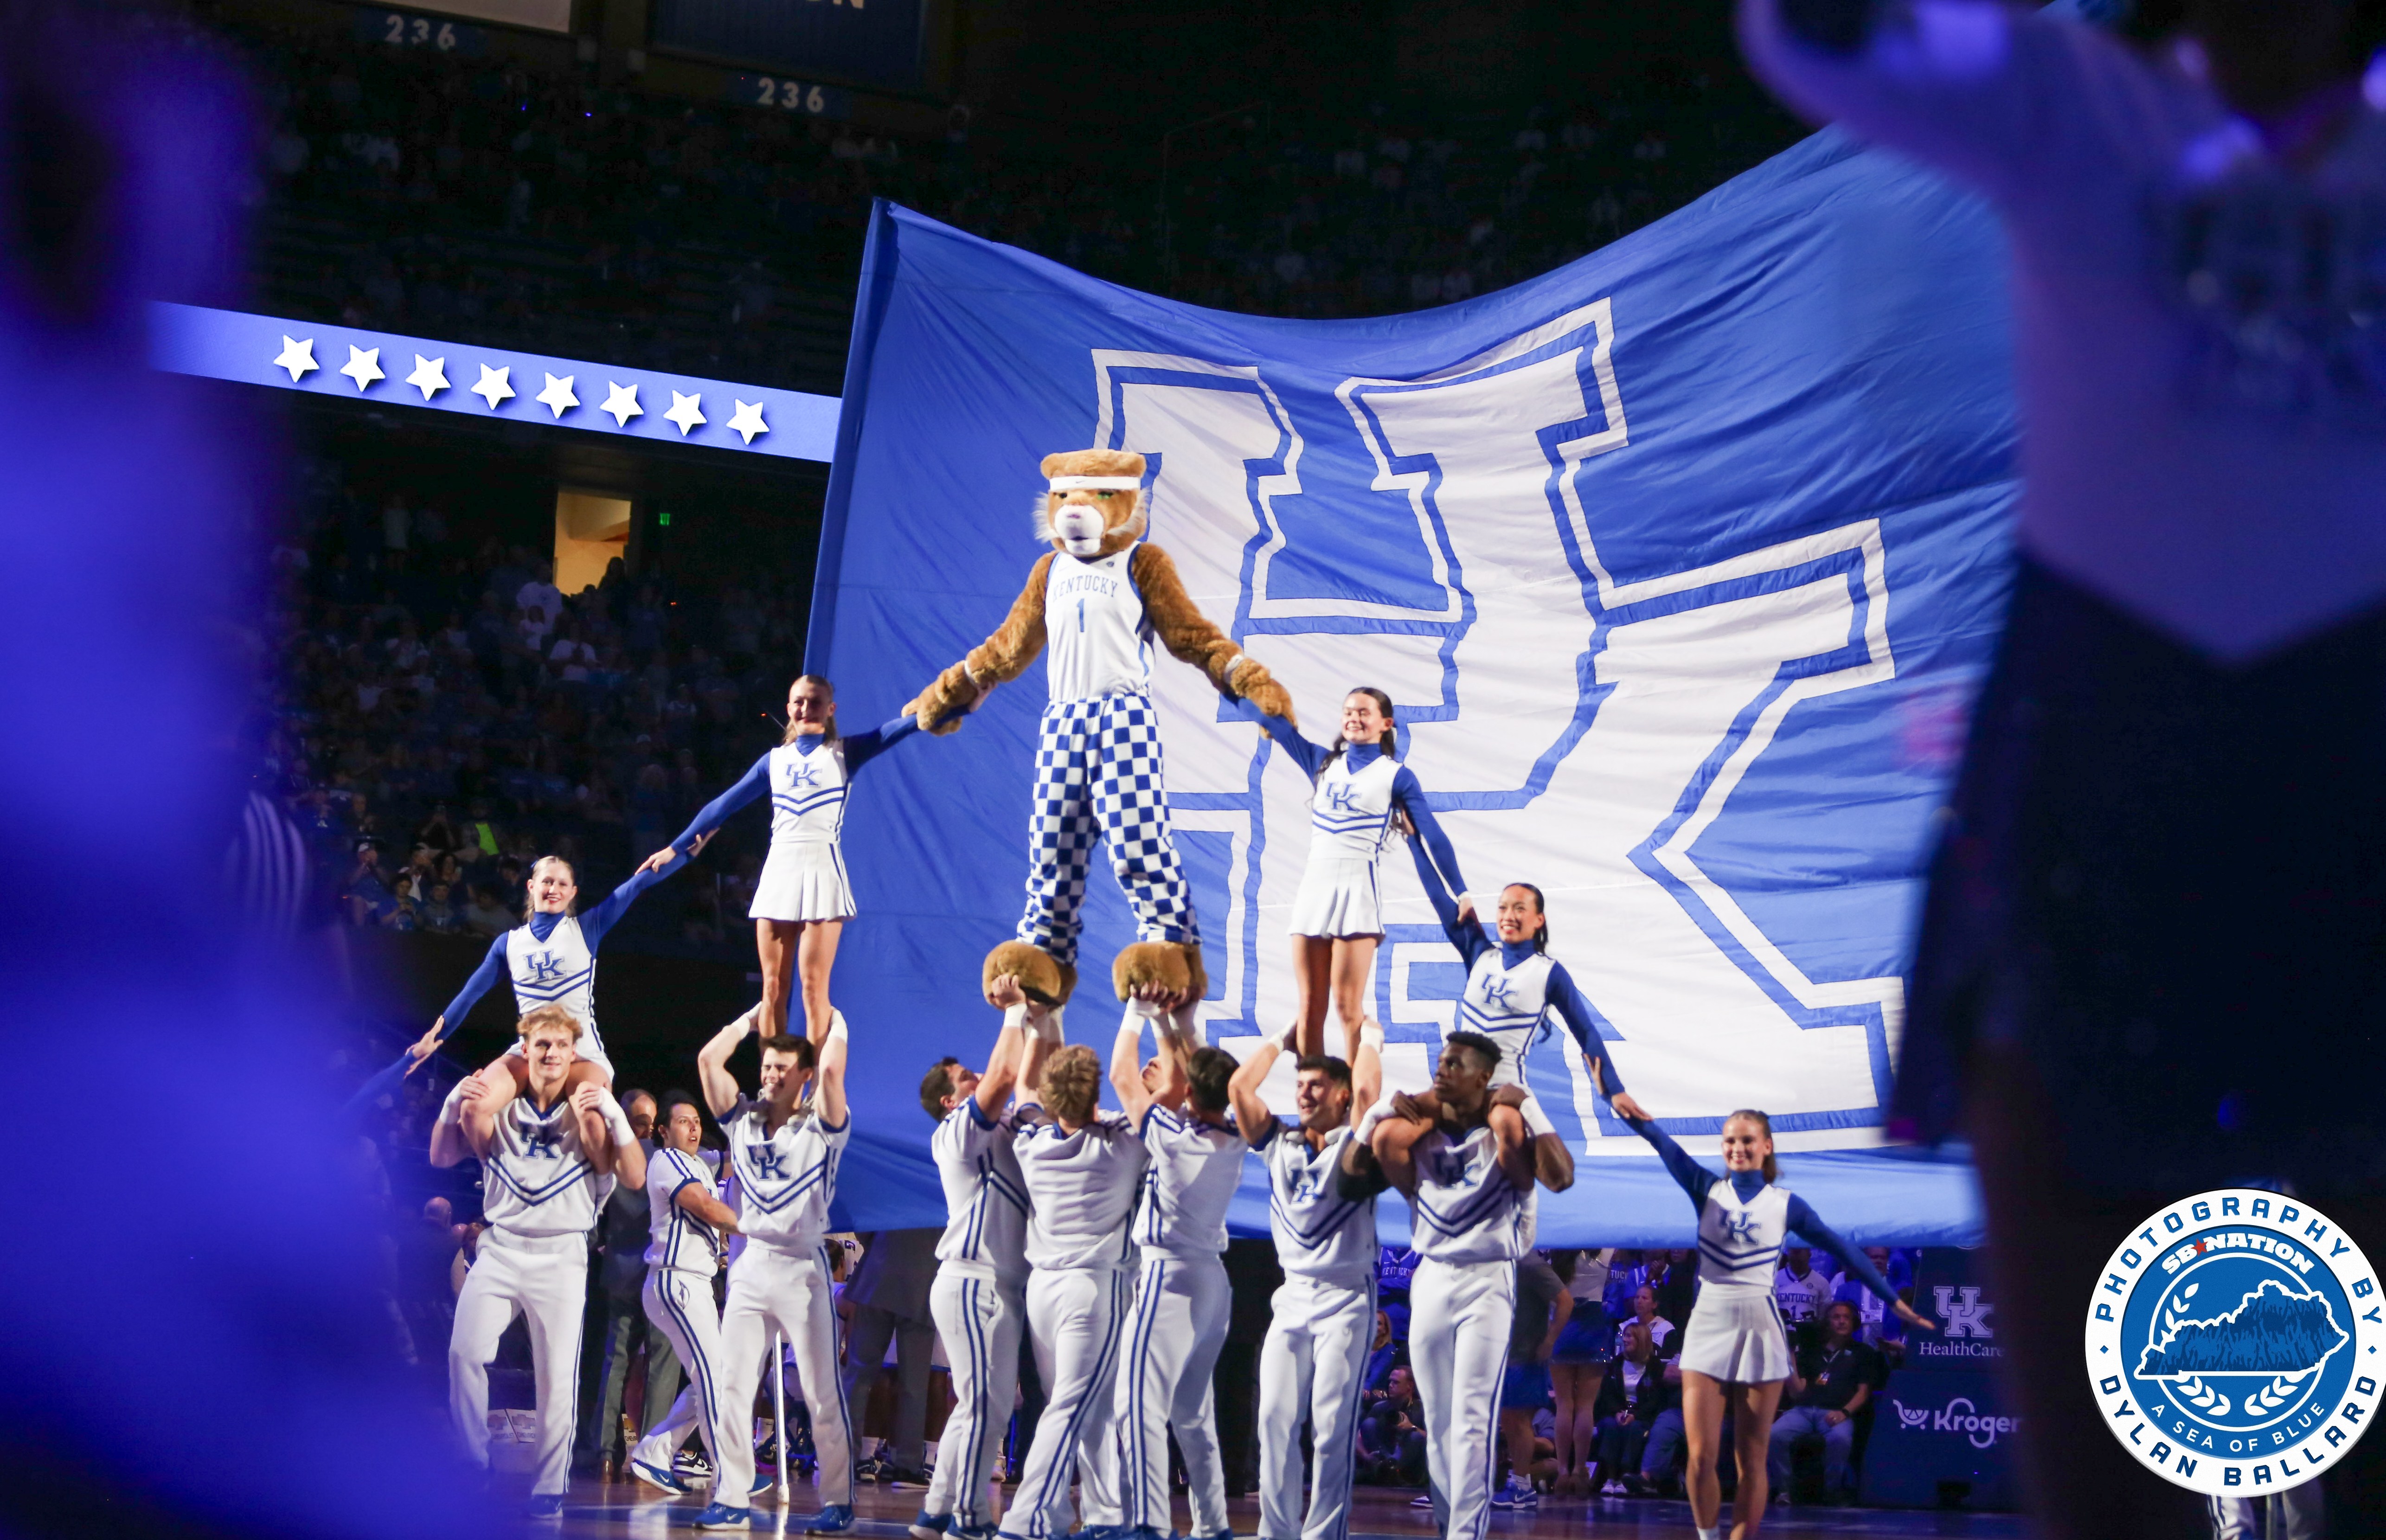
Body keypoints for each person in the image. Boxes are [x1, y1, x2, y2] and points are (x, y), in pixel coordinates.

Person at [1739, 3, 2386, 1535]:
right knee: (2100, 1478)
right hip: (2105, 758)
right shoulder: (2073, 102)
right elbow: (1818, 28)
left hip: (2351, 776)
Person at [1340, 1032, 1622, 1540]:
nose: (1440, 1067)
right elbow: (1351, 1177)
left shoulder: (1504, 1123)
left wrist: (1527, 1109)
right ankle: (1452, 1524)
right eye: (1440, 1060)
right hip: (1432, 1272)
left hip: (1488, 1277)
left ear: (1482, 1076)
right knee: (1438, 1417)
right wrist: (1385, 1111)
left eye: (1454, 1063)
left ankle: (1465, 1535)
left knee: (1473, 1413)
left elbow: (1559, 1176)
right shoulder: (1417, 1127)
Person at [1622, 1106, 1931, 1540]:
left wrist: (1891, 1298)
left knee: (1752, 1457)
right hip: (1709, 1322)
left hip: (1759, 1327)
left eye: (1748, 1140)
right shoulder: (1705, 1188)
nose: (1738, 1148)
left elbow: (1844, 1249)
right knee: (1700, 1457)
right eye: (1730, 1140)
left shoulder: (1786, 1204)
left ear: (1766, 1146)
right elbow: (1658, 1140)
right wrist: (1615, 1091)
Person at [642, 675, 934, 1044]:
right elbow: (723, 806)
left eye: (815, 702)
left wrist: (960, 693)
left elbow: (900, 728)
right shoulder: (773, 762)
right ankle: (773, 1088)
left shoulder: (845, 752)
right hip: (780, 872)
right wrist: (675, 848)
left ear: (830, 710)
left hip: (822, 871)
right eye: (798, 701)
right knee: (772, 988)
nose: (805, 709)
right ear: (788, 708)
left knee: (813, 989)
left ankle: (811, 1093)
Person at [437, 1004, 646, 1520]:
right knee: (465, 1351)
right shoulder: (497, 1109)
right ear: (524, 1051)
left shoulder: (589, 1114)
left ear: (573, 1054)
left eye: (559, 1045)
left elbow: (636, 1177)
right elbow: (440, 1156)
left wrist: (617, 1115)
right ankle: (470, 1463)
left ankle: (549, 1484)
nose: (550, 1053)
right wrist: (450, 1106)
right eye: (541, 1044)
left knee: (557, 1375)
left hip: (562, 1253)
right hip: (501, 1247)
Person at [1230, 688, 1470, 1059]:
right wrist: (1222, 679)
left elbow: (1432, 834)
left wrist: (1462, 891)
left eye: (1363, 712)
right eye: (1347, 712)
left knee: (1347, 1009)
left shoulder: (1397, 776)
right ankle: (1316, 1106)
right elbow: (1272, 724)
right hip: (1315, 890)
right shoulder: (1322, 762)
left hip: (1358, 891)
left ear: (1385, 724)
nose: (1353, 718)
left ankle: (1360, 1108)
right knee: (1310, 1008)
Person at [1407, 839, 1649, 1189]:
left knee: (1534, 1154)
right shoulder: (1478, 951)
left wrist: (1614, 1090)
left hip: (1505, 1088)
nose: (1509, 916)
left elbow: (1587, 1032)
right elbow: (1437, 895)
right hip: (1458, 1087)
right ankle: (1423, 1209)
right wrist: (1414, 841)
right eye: (1503, 908)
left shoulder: (1549, 973)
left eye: (1520, 909)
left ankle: (1520, 1208)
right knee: (1391, 1134)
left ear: (1539, 920)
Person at [694, 1007, 855, 1532]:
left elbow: (832, 1071)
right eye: (766, 1066)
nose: (770, 1074)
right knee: (732, 1384)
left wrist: (832, 1018)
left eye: (783, 1067)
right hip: (749, 1262)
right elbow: (707, 1059)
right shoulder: (740, 1120)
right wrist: (748, 1020)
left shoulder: (824, 1125)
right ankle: (732, 1495)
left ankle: (837, 1500)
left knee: (820, 1389)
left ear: (803, 1074)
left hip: (803, 1266)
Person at [1227, 1020, 1385, 1540]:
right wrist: (1280, 1038)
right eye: (1299, 1084)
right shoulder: (1279, 1143)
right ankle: (1276, 1531)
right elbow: (1238, 1088)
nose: (1304, 1091)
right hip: (1291, 1296)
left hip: (1345, 1298)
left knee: (1331, 1424)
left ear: (1341, 1097)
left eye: (1316, 1085)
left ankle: (1323, 1534)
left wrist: (1369, 1040)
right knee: (1272, 1417)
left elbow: (1368, 1091)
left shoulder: (1355, 1146)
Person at [914, 975, 1054, 1540]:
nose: (975, 1076)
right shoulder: (954, 1132)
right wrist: (1013, 1010)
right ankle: (969, 1519)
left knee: (982, 1406)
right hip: (972, 1280)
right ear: (949, 1100)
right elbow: (1001, 1075)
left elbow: (1026, 1077)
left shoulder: (1004, 1128)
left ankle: (935, 1511)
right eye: (962, 1078)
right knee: (986, 1407)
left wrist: (1042, 1015)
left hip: (998, 1283)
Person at [995, 1039, 1149, 1540]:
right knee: (1071, 1405)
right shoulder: (1122, 1143)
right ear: (1093, 1094)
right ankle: (1026, 1519)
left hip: (1042, 1290)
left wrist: (1043, 1012)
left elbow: (1024, 1092)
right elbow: (1152, 1105)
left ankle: (1103, 1516)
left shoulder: (1030, 1142)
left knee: (1088, 1404)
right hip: (1092, 1289)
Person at [401, 849, 704, 1099]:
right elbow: (470, 995)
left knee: (594, 1118)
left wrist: (685, 851)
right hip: (528, 1052)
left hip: (583, 1052)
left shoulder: (587, 928)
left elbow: (639, 883)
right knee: (473, 1105)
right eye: (547, 882)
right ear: (532, 887)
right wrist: (433, 1041)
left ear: (573, 893)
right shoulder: (507, 944)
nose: (553, 890)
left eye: (562, 884)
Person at [1107, 990, 1244, 1540]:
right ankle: (1212, 1524)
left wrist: (1138, 1010)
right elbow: (1200, 1076)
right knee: (1191, 1410)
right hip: (1212, 1280)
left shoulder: (1169, 1135)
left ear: (1187, 1089)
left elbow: (1121, 1077)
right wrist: (1175, 1021)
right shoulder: (1235, 1136)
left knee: (1135, 1402)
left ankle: (1145, 1522)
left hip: (1168, 1276)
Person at [626, 1093, 748, 1497]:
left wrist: (744, 1126)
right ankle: (731, 1473)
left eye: (697, 1121)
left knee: (715, 1376)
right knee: (714, 1378)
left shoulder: (697, 1162)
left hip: (694, 1282)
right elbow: (707, 1208)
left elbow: (730, 1160)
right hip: (677, 1279)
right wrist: (764, 1226)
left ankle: (654, 1453)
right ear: (663, 1131)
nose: (694, 1128)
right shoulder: (668, 1161)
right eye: (683, 1122)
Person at [578, 1089, 663, 1477]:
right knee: (659, 1368)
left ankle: (605, 1452)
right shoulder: (664, 1160)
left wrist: (602, 1248)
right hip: (659, 1272)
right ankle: (650, 1455)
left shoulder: (607, 1160)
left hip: (617, 1273)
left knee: (614, 1363)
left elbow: (591, 1218)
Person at [840, 1227, 942, 1487]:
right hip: (923, 1279)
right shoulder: (944, 1190)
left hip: (877, 1273)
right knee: (915, 1384)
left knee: (858, 1375)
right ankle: (906, 1466)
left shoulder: (895, 1186)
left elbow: (864, 1227)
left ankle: (844, 1459)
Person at [1765, 1300, 1879, 1506]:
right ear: (1828, 1323)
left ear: (1854, 1323)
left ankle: (1831, 1490)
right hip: (1804, 1410)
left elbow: (1864, 1393)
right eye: (1836, 1317)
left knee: (1840, 1439)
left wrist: (1845, 1412)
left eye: (1846, 1317)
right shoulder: (1812, 1351)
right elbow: (1797, 1392)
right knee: (1775, 1434)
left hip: (1837, 1411)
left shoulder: (1863, 1353)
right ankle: (1784, 1490)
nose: (1842, 1321)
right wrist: (1789, 1353)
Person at [1491, 1249, 1571, 1511]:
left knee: (1520, 1421)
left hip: (1526, 1356)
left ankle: (1522, 1488)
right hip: (1507, 1353)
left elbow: (1566, 1301)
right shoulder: (1503, 1260)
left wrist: (1549, 1341)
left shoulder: (1530, 1263)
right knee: (1510, 1421)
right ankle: (1519, 1485)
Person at [1548, 1247, 1614, 1497]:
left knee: (1564, 1405)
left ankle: (1563, 1471)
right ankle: (1579, 1470)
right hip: (1592, 1328)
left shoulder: (1560, 1252)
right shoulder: (1605, 1252)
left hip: (1563, 1328)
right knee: (1586, 1407)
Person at [1590, 1321, 1676, 1496]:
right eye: (1625, 1336)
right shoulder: (1617, 1363)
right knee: (1609, 1426)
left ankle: (1625, 1477)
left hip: (1642, 1416)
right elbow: (1608, 1394)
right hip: (1618, 1412)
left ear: (1642, 1340)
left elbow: (1656, 1400)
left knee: (1635, 1430)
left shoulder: (1655, 1367)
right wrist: (1617, 1412)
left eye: (1630, 1336)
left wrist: (1635, 1415)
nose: (1625, 1340)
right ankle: (1610, 1478)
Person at [1360, 1365, 1427, 1487]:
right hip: (1383, 1453)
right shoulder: (1380, 1407)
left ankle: (1391, 1467)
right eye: (1390, 1381)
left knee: (1416, 1437)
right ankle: (1387, 1467)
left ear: (1410, 1386)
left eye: (1396, 1382)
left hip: (1408, 1461)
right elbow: (1358, 1437)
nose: (1390, 1385)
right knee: (1369, 1424)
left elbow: (1436, 1440)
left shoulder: (1422, 1409)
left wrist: (1412, 1427)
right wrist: (1366, 1456)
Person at [1772, 1247, 1831, 1331]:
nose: (1797, 1255)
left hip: (1808, 1336)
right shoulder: (1775, 1279)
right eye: (1794, 1250)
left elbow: (1824, 1316)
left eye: (1800, 1251)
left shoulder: (1821, 1282)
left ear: (1809, 1254)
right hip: (1779, 1334)